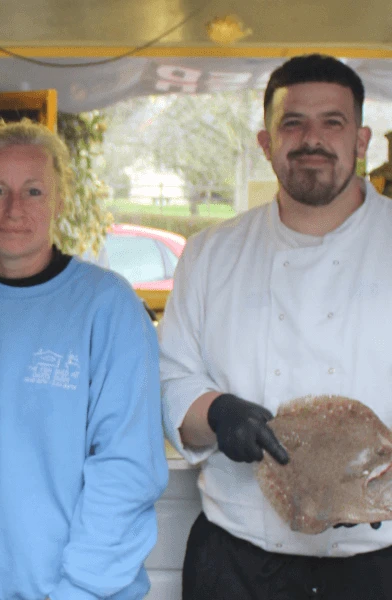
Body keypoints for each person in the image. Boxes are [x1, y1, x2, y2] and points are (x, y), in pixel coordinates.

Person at [0, 119, 168, 600]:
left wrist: (80, 590)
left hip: (84, 591)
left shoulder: (107, 306)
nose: (14, 210)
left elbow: (126, 467)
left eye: (34, 191)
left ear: (61, 200)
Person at [160, 53, 392, 599]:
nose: (312, 139)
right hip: (237, 562)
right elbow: (171, 382)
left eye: (332, 122)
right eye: (293, 123)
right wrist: (216, 413)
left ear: (362, 141)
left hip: (376, 564)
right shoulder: (210, 253)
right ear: (266, 143)